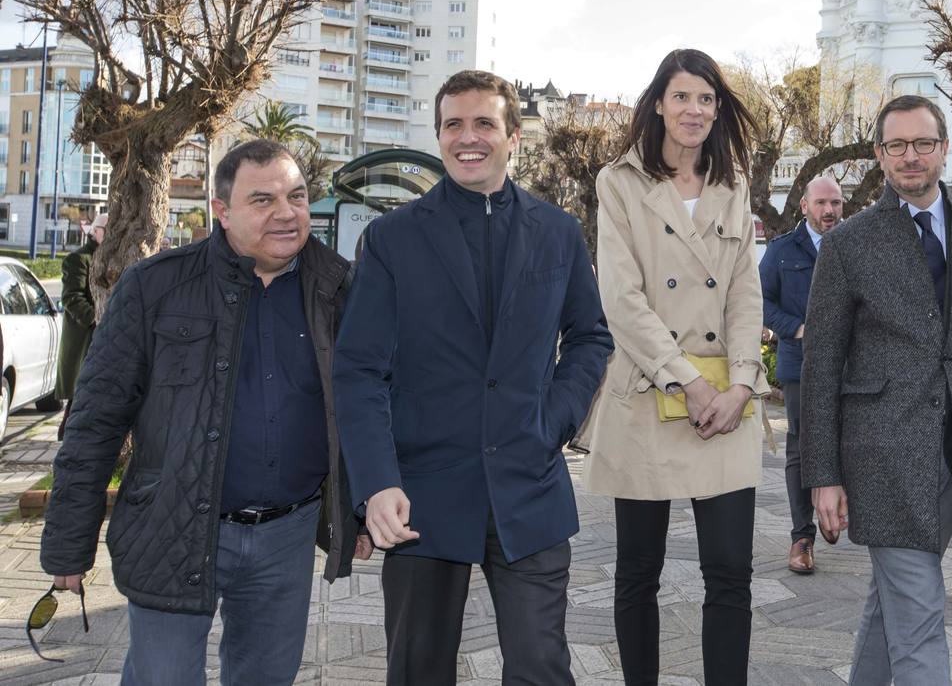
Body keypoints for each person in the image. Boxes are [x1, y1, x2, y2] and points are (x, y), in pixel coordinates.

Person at [40, 139, 369, 685]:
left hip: (285, 537)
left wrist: (355, 509)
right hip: (172, 524)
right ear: (222, 211)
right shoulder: (155, 287)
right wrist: (69, 545)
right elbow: (95, 422)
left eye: (298, 196)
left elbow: (359, 407)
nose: (287, 213)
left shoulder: (339, 289)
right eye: (263, 200)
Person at [334, 70, 613, 686]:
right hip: (421, 499)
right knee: (418, 670)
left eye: (484, 122)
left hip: (529, 485)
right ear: (438, 138)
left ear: (513, 136)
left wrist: (554, 421)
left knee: (542, 667)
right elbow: (358, 370)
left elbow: (591, 337)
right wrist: (375, 484)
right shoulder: (391, 238)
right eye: (453, 125)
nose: (468, 137)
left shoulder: (559, 233)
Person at [800, 94, 952, 685]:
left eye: (923, 143)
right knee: (921, 615)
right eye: (897, 145)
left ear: (944, 148)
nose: (912, 157)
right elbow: (822, 363)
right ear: (880, 155)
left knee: (895, 607)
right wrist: (821, 474)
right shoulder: (849, 243)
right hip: (880, 456)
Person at [578, 48, 769, 686]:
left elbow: (745, 289)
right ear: (659, 102)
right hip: (647, 391)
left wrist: (742, 382)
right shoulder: (620, 182)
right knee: (638, 572)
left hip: (727, 400)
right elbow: (621, 297)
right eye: (682, 96)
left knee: (730, 573)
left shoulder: (733, 184)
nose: (695, 110)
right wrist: (682, 377)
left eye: (707, 99)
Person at [759, 175, 845, 575]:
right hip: (800, 363)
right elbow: (759, 302)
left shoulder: (854, 246)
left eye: (837, 203)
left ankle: (836, 511)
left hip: (850, 365)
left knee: (849, 441)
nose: (830, 211)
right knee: (800, 447)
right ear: (805, 207)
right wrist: (797, 328)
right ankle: (802, 537)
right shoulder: (779, 252)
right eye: (822, 203)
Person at [54, 212, 106, 440]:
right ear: (95, 232)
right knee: (79, 398)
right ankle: (68, 443)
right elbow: (71, 297)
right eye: (107, 229)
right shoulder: (79, 259)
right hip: (84, 340)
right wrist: (95, 319)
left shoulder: (109, 258)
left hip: (101, 340)